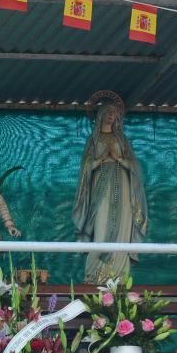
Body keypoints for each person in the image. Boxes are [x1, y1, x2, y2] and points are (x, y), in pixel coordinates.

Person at [71, 92, 148, 284]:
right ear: (101, 115)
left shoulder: (122, 139)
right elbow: (85, 165)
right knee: (102, 225)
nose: (111, 116)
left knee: (122, 227)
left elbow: (136, 166)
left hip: (122, 186)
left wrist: (120, 159)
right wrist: (99, 160)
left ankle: (118, 278)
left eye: (114, 113)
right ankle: (95, 275)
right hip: (100, 189)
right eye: (108, 112)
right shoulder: (94, 139)